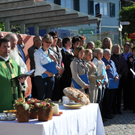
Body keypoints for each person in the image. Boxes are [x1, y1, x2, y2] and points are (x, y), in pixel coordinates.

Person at [0, 38, 26, 112]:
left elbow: (21, 83)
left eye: (8, 47)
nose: (7, 49)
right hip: (3, 102)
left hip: (15, 102)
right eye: (4, 47)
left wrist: (22, 82)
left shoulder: (14, 63)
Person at [5, 33, 29, 97]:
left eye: (15, 44)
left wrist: (22, 74)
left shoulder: (16, 53)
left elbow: (23, 67)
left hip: (19, 83)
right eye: (12, 44)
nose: (14, 46)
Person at [34, 34, 56, 100]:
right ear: (42, 42)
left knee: (49, 97)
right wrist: (47, 72)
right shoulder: (37, 53)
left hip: (51, 77)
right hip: (40, 77)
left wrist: (55, 60)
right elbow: (38, 66)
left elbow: (54, 65)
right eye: (47, 42)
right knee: (42, 97)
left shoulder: (51, 52)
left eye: (50, 42)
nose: (48, 44)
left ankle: (48, 110)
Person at [102, 49, 119, 119]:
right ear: (104, 55)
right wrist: (105, 68)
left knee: (111, 99)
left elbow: (115, 71)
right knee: (106, 99)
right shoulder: (102, 62)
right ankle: (105, 114)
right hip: (106, 84)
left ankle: (109, 112)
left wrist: (117, 76)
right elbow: (100, 71)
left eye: (110, 54)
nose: (109, 56)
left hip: (113, 84)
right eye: (107, 54)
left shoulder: (112, 62)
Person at [111, 44, 127, 114]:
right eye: (116, 48)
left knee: (119, 94)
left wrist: (121, 73)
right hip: (113, 78)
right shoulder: (111, 57)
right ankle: (113, 109)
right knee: (114, 94)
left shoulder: (121, 57)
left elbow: (125, 66)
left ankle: (118, 108)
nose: (117, 50)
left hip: (120, 78)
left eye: (118, 48)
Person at [49, 31, 64, 101]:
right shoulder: (49, 48)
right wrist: (58, 69)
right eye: (53, 37)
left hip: (60, 74)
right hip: (53, 73)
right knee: (54, 94)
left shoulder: (59, 48)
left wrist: (62, 68)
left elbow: (61, 60)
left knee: (59, 94)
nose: (55, 39)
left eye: (56, 37)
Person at [127, 46, 135, 113]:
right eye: (134, 51)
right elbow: (129, 68)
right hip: (132, 78)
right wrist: (131, 63)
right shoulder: (130, 58)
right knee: (133, 92)